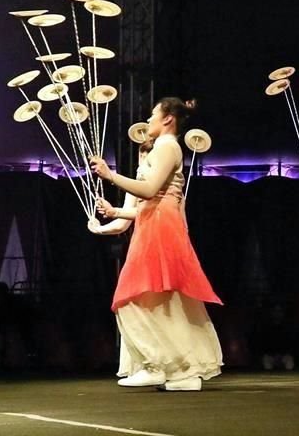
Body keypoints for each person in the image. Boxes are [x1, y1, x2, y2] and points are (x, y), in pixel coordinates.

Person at [90, 98, 222, 392]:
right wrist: (112, 214)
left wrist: (110, 175)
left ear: (168, 119)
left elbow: (149, 191)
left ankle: (158, 365)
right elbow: (146, 201)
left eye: (152, 115)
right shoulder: (164, 148)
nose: (148, 120)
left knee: (130, 298)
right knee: (159, 301)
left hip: (160, 225)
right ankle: (181, 373)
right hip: (155, 223)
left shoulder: (167, 146)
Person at [89, 138, 153, 378]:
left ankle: (160, 363)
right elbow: (124, 222)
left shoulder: (164, 182)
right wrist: (100, 228)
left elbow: (150, 211)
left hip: (160, 243)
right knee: (129, 302)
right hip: (140, 247)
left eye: (146, 161)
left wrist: (116, 211)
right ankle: (138, 364)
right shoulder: (136, 185)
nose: (141, 167)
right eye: (139, 161)